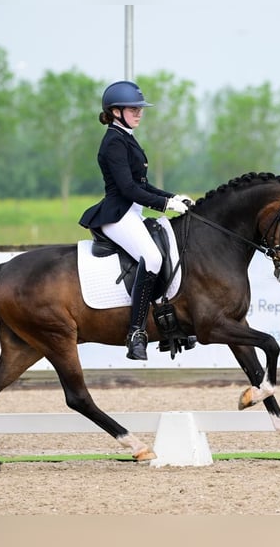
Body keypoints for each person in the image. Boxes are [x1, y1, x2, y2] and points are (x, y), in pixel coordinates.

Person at [79, 80, 191, 361]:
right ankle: (135, 332)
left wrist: (174, 197)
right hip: (117, 215)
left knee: (170, 249)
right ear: (115, 111)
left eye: (140, 108)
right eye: (133, 109)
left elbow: (143, 184)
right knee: (152, 258)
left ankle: (167, 322)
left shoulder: (126, 136)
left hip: (132, 213)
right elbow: (129, 190)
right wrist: (165, 204)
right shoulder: (114, 141)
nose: (139, 113)